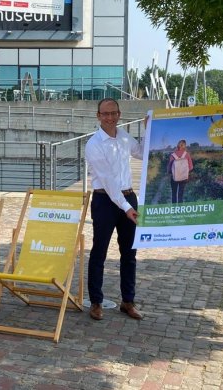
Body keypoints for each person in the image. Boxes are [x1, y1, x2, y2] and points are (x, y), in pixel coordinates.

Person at [85, 98, 144, 321]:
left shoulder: (125, 137)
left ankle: (128, 301)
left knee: (130, 253)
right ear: (98, 116)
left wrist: (152, 130)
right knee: (99, 252)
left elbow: (142, 152)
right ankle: (96, 302)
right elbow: (108, 182)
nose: (110, 117)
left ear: (119, 114)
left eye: (114, 113)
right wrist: (127, 207)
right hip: (105, 201)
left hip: (128, 197)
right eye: (105, 114)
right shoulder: (93, 144)